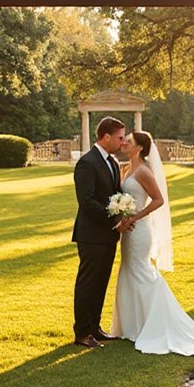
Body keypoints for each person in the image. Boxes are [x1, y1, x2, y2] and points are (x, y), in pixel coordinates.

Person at [111, 130, 194, 356]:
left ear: (140, 148)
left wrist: (135, 217)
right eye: (124, 139)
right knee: (129, 270)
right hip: (127, 231)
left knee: (142, 271)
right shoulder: (126, 168)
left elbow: (158, 200)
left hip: (139, 230)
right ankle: (131, 326)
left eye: (129, 140)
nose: (124, 142)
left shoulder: (144, 171)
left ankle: (157, 322)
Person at [71, 117, 132, 348]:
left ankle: (95, 328)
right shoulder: (87, 163)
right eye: (120, 137)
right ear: (106, 137)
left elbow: (115, 194)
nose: (123, 141)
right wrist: (114, 220)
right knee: (88, 283)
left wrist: (123, 213)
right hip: (91, 235)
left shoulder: (113, 161)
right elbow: (87, 201)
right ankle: (82, 332)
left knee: (101, 282)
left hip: (108, 235)